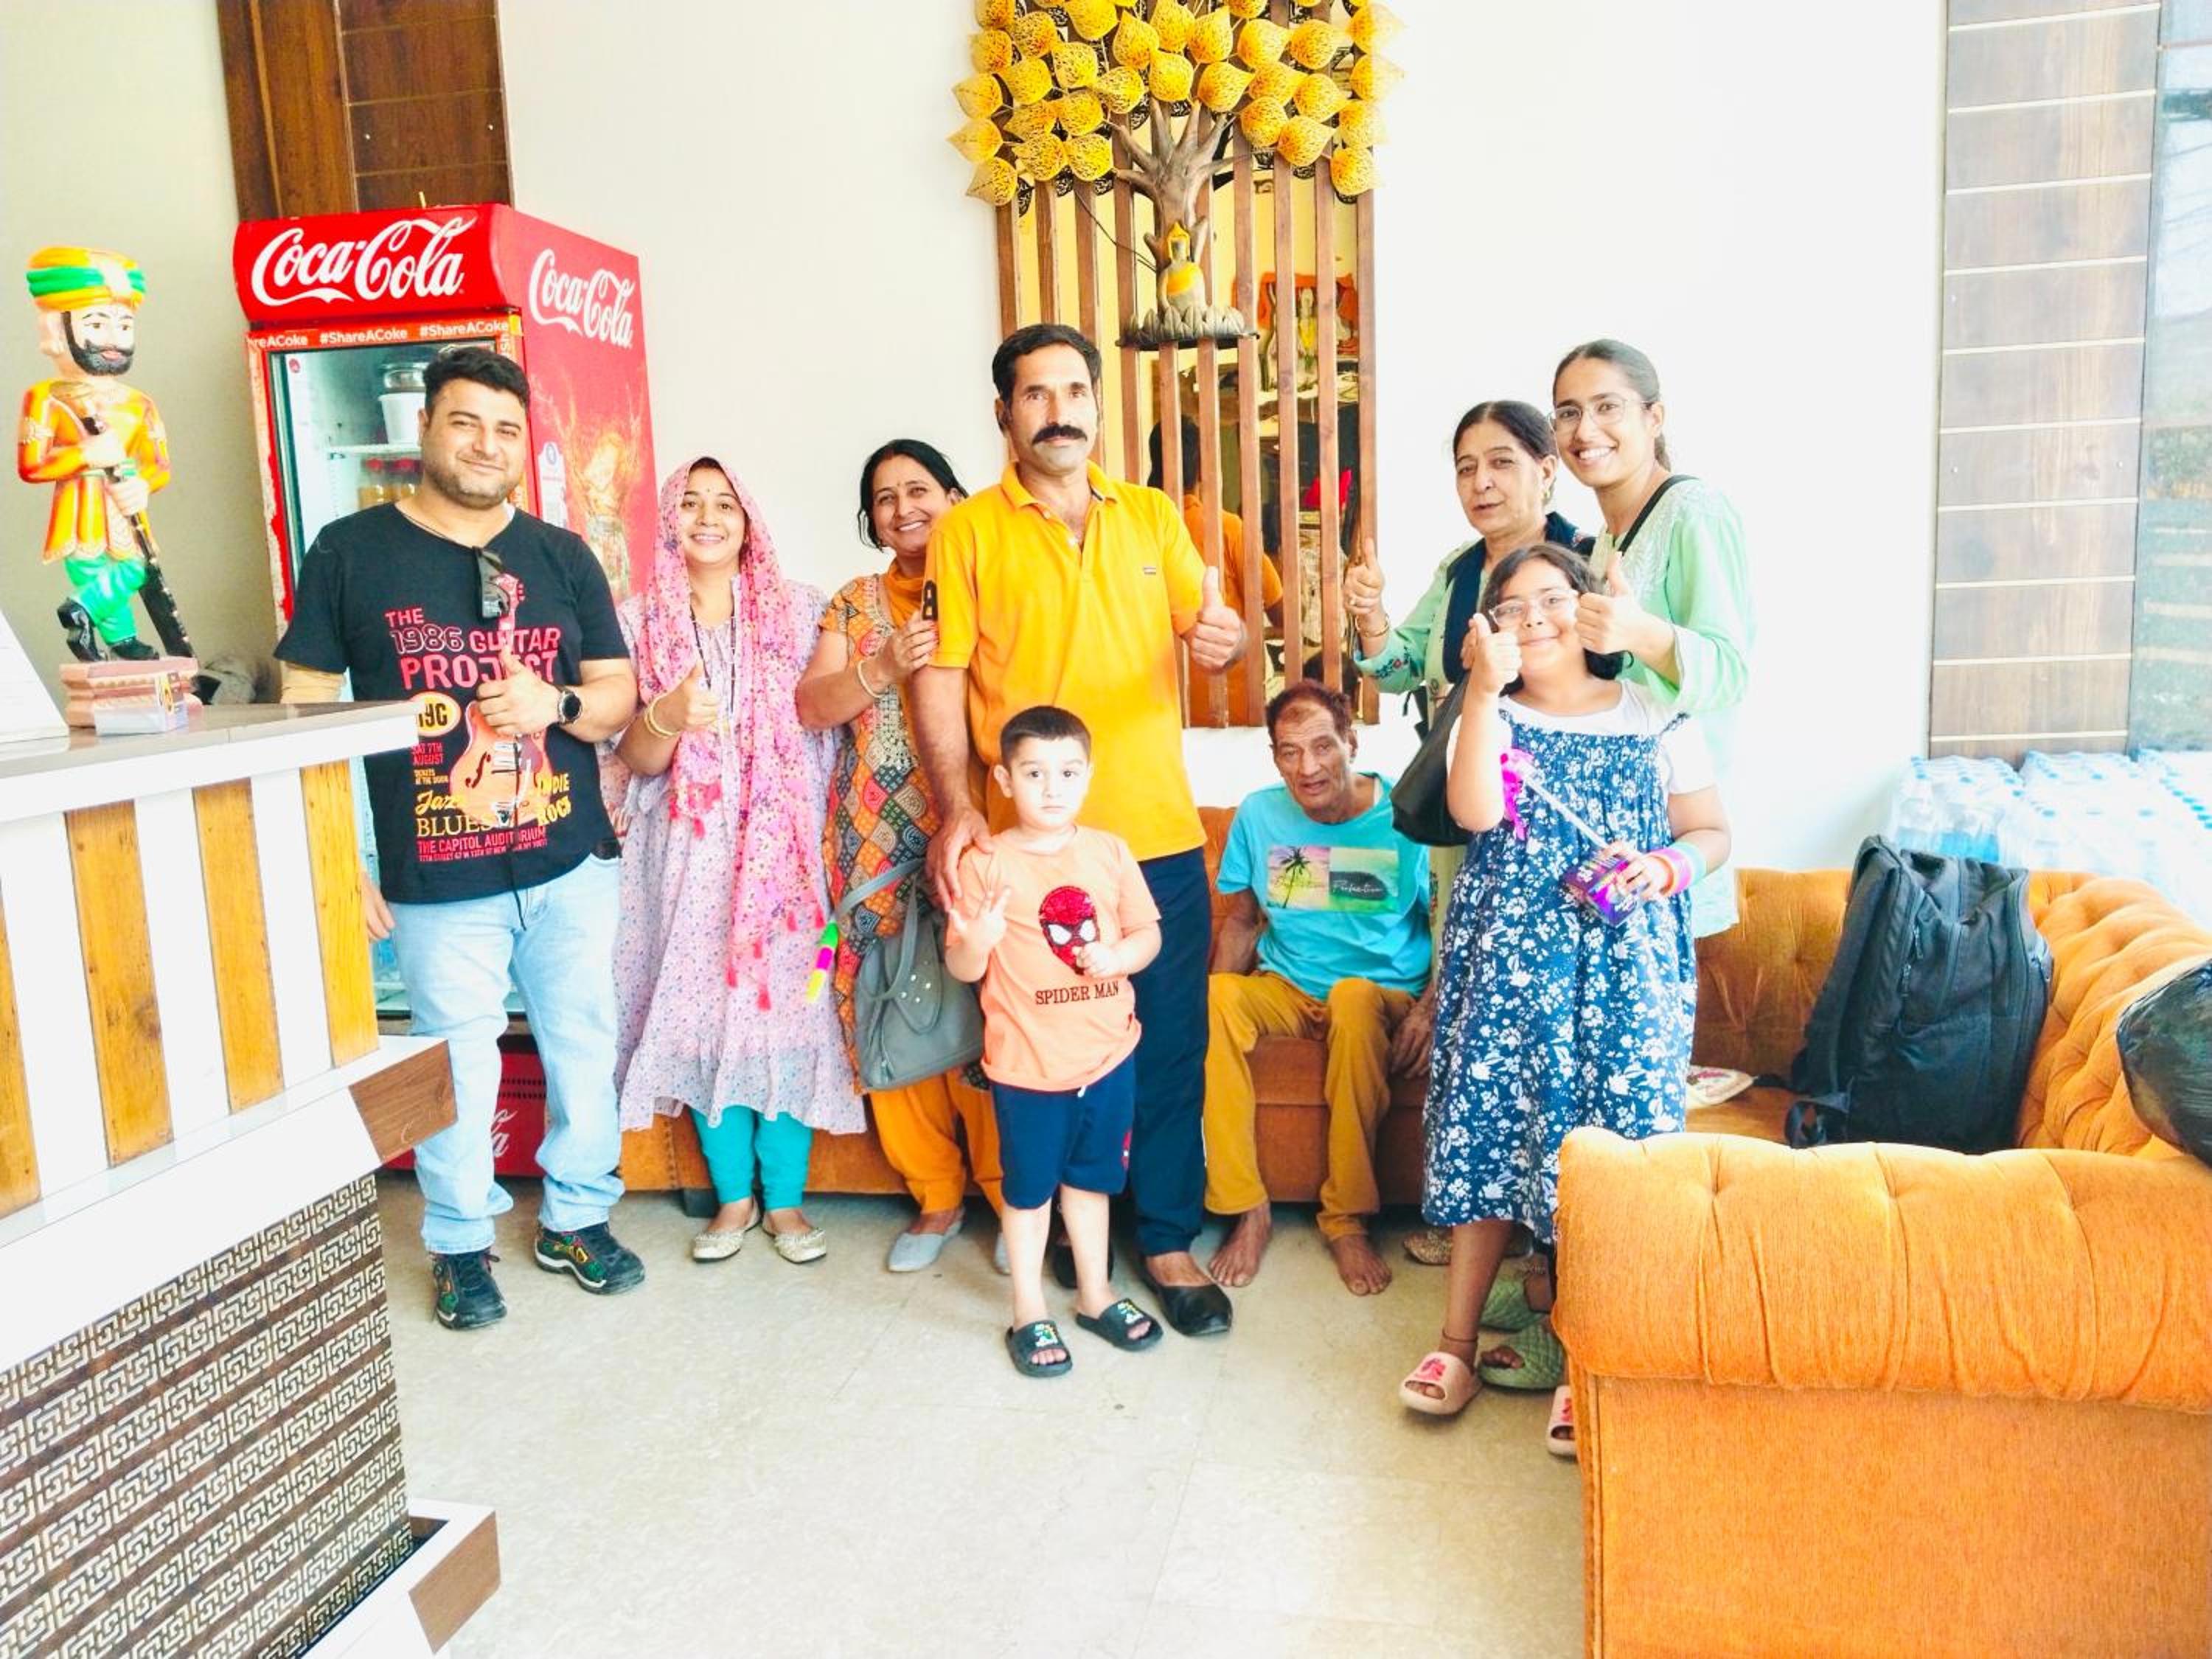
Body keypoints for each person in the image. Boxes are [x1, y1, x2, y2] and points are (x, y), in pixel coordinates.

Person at [276, 345, 643, 1331]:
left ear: (525, 445)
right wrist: (332, 858)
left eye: (507, 429)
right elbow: (304, 713)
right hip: (435, 876)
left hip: (569, 861)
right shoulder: (349, 552)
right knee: (458, 1066)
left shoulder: (562, 555)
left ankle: (577, 1217)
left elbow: (615, 694)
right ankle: (459, 1241)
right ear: (425, 428)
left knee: (583, 1045)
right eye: (466, 422)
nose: (487, 444)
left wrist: (556, 702)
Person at [914, 323, 1247, 1339]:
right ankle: (1068, 1231)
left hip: (1152, 837)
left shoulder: (1151, 516)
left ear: (1099, 405)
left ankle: (1167, 1239)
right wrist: (957, 806)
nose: (1058, 410)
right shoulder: (967, 531)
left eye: (1074, 390)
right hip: (1026, 848)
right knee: (1037, 1047)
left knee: (1170, 1044)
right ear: (1003, 413)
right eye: (1035, 393)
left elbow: (1211, 632)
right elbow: (941, 675)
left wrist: (1226, 640)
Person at [1396, 543, 1728, 1439]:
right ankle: (1455, 1345)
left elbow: (1711, 830)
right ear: (1489, 627)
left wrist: (1666, 866)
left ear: (1588, 608)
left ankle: (1586, 1359)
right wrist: (1478, 691)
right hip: (1508, 972)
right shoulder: (1492, 714)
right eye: (1512, 607)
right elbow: (1474, 813)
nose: (1534, 618)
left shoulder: (1657, 713)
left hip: (1627, 975)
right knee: (1489, 1143)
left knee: (1613, 1163)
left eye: (1553, 598)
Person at [1343, 397, 1587, 1268]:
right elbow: (1397, 666)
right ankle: (1477, 1216)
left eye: (1501, 463)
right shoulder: (1457, 574)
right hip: (1465, 814)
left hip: (1553, 827)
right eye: (1465, 467)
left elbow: (1613, 680)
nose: (1481, 483)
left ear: (1546, 470)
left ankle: (1557, 1232)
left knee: (1551, 1022)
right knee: (1476, 1014)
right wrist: (1371, 618)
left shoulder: (1586, 561)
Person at [611, 456, 858, 1265]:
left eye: (725, 504)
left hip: (787, 865)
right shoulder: (636, 622)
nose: (708, 518)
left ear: (750, 520)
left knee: (790, 1017)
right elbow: (635, 760)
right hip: (687, 859)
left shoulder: (801, 610)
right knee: (702, 1021)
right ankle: (733, 1200)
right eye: (691, 503)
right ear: (668, 519)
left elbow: (827, 718)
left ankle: (784, 1201)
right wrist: (667, 714)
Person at [796, 438, 1005, 1273]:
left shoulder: (992, 582)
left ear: (956, 498)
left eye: (919, 489)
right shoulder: (854, 604)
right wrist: (882, 665)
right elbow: (812, 706)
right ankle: (936, 1196)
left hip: (980, 828)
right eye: (884, 499)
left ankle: (1010, 1197)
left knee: (990, 1005)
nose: (904, 508)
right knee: (887, 998)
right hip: (874, 839)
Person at [942, 706, 1164, 1377]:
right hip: (1028, 1066)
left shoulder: (1110, 851)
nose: (1052, 787)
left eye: (1068, 773)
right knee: (1030, 1191)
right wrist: (977, 942)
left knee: (1092, 1184)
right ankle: (1029, 1311)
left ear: (1089, 775)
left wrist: (1119, 957)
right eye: (1034, 773)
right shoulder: (987, 862)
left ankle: (1096, 1295)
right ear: (1005, 781)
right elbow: (963, 965)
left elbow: (1148, 935)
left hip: (1108, 1055)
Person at [1203, 681, 1431, 1296]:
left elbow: (1451, 928)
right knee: (1215, 1000)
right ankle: (1247, 1208)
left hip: (1379, 993)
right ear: (1275, 758)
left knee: (1353, 998)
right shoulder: (1259, 815)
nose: (1308, 767)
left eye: (1323, 746)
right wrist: (1213, 1002)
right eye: (1290, 751)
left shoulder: (1409, 819)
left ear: (1352, 743)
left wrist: (1431, 1013)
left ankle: (1346, 1218)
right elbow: (1243, 922)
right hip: (1288, 985)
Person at [1551, 338, 1753, 939]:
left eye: (1607, 407)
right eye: (1568, 412)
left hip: (1674, 834)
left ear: (1654, 417)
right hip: (1608, 838)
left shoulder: (1694, 510)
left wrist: (1644, 635)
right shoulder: (1604, 541)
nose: (1585, 429)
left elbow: (1730, 671)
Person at [17, 245, 175, 662]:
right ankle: (118, 638)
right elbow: (32, 466)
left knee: (135, 568)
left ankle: (86, 613)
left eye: (124, 326)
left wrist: (144, 486)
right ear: (57, 329)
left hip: (124, 504)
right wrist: (85, 453)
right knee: (92, 571)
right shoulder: (46, 397)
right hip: (78, 508)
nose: (113, 340)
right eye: (96, 324)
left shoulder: (139, 403)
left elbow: (159, 465)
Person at [1147, 417, 1283, 726]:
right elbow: (1283, 616)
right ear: (1202, 469)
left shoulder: (1137, 529)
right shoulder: (1228, 529)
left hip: (1157, 714)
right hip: (1228, 712)